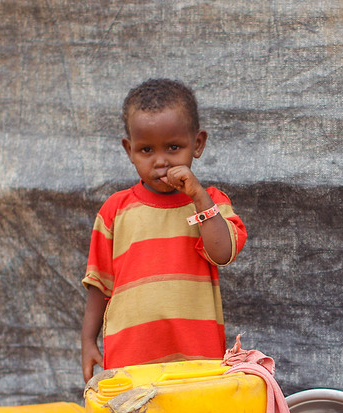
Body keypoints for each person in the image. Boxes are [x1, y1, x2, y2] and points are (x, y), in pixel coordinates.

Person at [80, 78, 247, 383]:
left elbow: (222, 253)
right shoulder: (114, 211)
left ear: (197, 144)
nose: (160, 162)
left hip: (197, 361)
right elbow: (99, 284)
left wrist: (198, 196)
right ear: (129, 150)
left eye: (173, 147)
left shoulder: (210, 203)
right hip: (130, 361)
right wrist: (88, 342)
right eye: (146, 150)